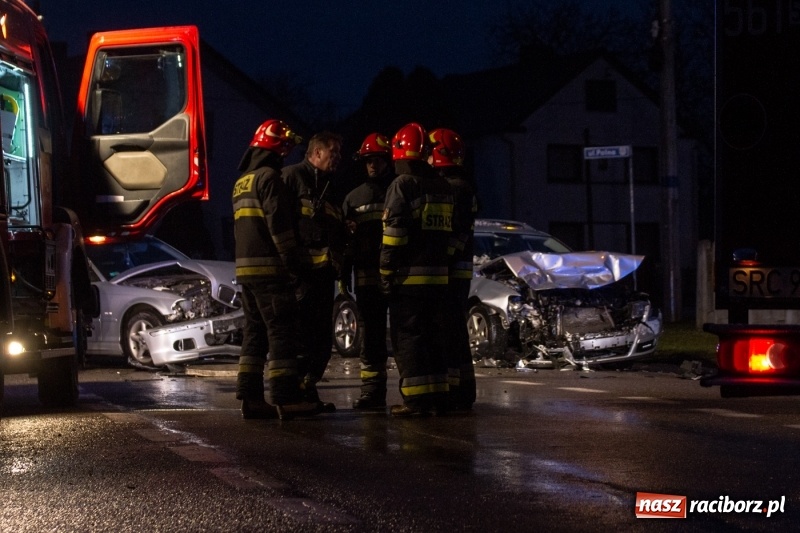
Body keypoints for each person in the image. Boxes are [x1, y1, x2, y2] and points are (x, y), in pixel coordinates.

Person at [232, 119, 320, 421]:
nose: (287, 155)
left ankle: (252, 399)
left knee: (254, 332)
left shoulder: (242, 181)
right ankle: (286, 398)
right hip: (270, 271)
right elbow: (279, 227)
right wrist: (293, 262)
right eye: (286, 149)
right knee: (282, 332)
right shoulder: (270, 177)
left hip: (246, 272)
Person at [380, 123, 454, 416]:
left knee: (409, 338)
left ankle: (416, 401)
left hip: (409, 277)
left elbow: (394, 234)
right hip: (439, 278)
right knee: (435, 336)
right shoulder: (443, 187)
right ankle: (439, 397)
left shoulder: (403, 184)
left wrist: (386, 271)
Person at [282, 131, 347, 412]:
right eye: (334, 152)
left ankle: (309, 391)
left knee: (320, 341)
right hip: (301, 276)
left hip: (323, 276)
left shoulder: (329, 186)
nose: (338, 158)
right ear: (317, 152)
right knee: (300, 338)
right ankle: (293, 395)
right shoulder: (292, 177)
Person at [341, 133, 396, 410]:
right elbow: (345, 241)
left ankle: (413, 393)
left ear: (387, 161)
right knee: (371, 336)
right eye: (368, 160)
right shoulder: (353, 198)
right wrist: (344, 274)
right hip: (367, 278)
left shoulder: (398, 191)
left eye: (377, 160)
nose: (372, 165)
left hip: (397, 278)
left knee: (402, 336)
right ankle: (372, 394)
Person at [429, 128, 478, 411]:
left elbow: (456, 232)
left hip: (449, 271)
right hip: (458, 271)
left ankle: (455, 390)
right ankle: (462, 388)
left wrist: (439, 258)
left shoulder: (453, 188)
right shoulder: (463, 185)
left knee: (448, 330)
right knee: (455, 329)